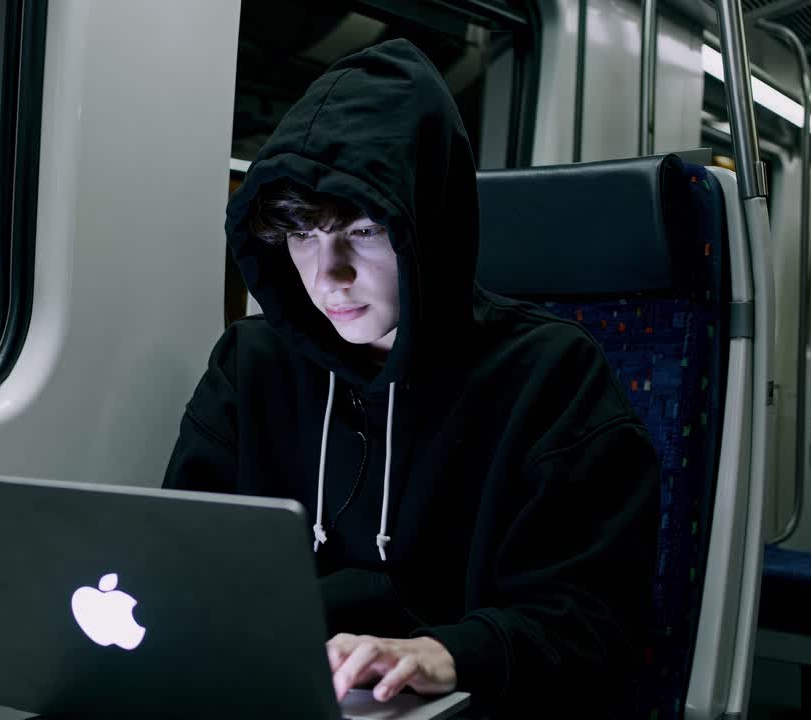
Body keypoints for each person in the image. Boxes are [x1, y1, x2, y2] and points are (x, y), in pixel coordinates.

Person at [162, 39, 658, 717]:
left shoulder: (551, 378)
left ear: (428, 229)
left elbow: (593, 623)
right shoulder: (251, 365)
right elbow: (182, 552)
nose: (327, 274)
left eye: (361, 230)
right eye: (303, 235)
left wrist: (447, 654)